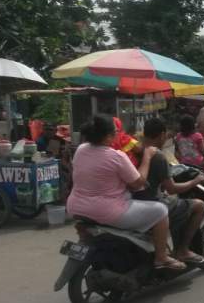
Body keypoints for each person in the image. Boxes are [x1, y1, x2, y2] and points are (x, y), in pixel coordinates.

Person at [67, 115, 185, 270]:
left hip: (76, 209)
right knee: (161, 210)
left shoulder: (81, 150)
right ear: (108, 136)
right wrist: (147, 157)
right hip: (107, 211)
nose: (118, 135)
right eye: (116, 132)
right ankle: (161, 257)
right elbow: (138, 183)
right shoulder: (116, 156)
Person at [135, 118, 204, 264]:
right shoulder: (158, 156)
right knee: (199, 205)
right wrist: (195, 181)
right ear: (162, 135)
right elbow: (172, 188)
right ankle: (183, 250)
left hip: (135, 201)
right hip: (153, 203)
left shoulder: (137, 150)